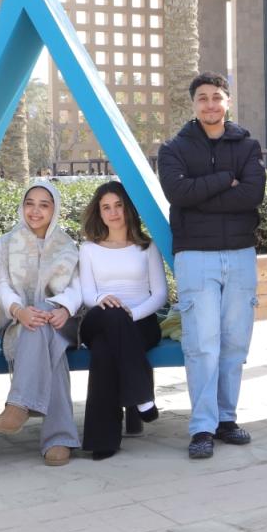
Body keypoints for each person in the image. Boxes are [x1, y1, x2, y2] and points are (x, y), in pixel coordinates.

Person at [157, 72, 265, 460]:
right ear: (193, 104)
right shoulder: (173, 149)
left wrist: (201, 194)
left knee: (234, 343)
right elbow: (178, 193)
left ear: (227, 102)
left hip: (240, 254)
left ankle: (226, 419)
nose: (210, 104)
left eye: (217, 97)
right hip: (195, 256)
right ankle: (202, 427)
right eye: (202, 98)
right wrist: (224, 179)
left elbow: (252, 194)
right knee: (202, 345)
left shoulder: (248, 146)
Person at [0, 181, 83, 466]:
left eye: (44, 205)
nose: (35, 211)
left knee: (44, 320)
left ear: (54, 210)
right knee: (44, 337)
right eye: (30, 203)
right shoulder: (5, 243)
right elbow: (1, 285)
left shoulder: (67, 245)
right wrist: (19, 311)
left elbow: (77, 287)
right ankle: (59, 438)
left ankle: (20, 401)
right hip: (17, 323)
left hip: (61, 322)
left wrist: (64, 308)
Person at [76, 181, 168, 460]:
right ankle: (142, 394)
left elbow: (160, 294)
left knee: (105, 351)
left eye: (118, 205)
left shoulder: (147, 247)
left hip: (141, 322)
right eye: (106, 207)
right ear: (99, 213)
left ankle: (102, 441)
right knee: (112, 314)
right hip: (98, 318)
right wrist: (103, 300)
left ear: (127, 208)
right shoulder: (88, 249)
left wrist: (131, 314)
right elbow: (87, 294)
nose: (113, 212)